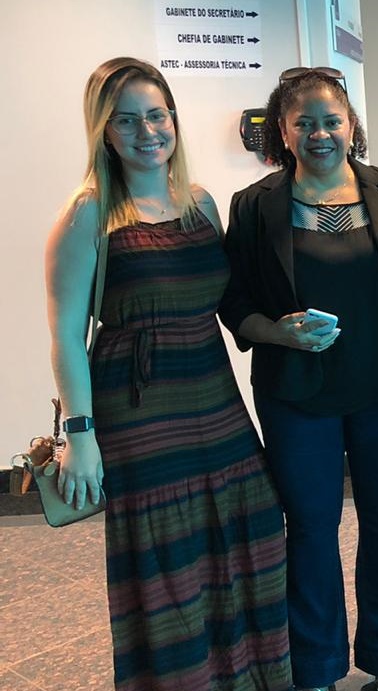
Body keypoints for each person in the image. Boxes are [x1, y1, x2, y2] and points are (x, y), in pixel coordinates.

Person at [44, 56, 291, 690]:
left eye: (156, 115)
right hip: (139, 418)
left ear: (173, 120)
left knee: (254, 536)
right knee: (169, 571)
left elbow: (231, 299)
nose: (146, 131)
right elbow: (66, 335)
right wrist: (80, 436)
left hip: (214, 399)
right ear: (103, 131)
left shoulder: (200, 203)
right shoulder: (89, 213)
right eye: (126, 120)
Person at [219, 67, 378, 691]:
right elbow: (234, 298)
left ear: (351, 125)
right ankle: (316, 666)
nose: (319, 133)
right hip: (296, 397)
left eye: (331, 120)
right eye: (303, 122)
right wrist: (274, 331)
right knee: (310, 529)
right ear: (282, 131)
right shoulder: (255, 205)